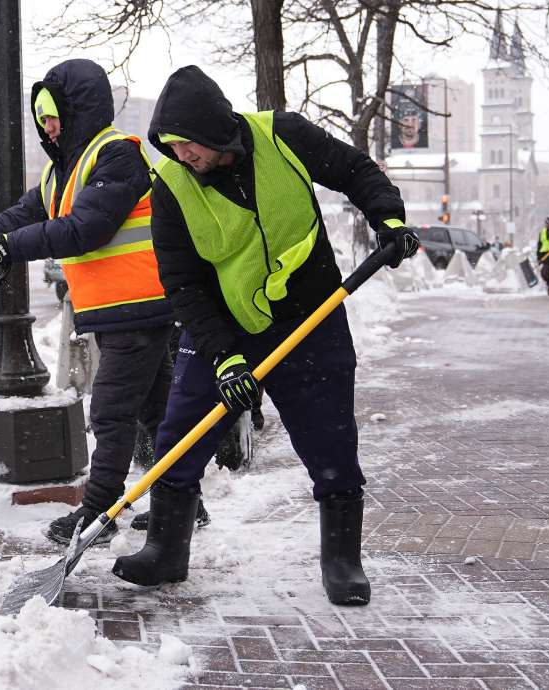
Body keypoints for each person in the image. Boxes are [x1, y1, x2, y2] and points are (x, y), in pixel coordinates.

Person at [111, 65, 416, 607]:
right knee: (180, 433)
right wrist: (226, 359)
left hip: (312, 318)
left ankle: (342, 560)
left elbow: (354, 169)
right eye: (173, 147)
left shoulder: (284, 135)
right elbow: (182, 283)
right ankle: (165, 548)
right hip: (225, 326)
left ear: (214, 129)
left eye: (188, 145)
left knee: (331, 441)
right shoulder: (173, 187)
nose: (184, 157)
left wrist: (387, 218)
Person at [0, 59, 175, 546]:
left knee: (110, 413)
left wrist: (12, 248)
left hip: (138, 308)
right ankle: (182, 500)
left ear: (79, 109)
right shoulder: (65, 173)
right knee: (155, 412)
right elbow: (15, 217)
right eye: (40, 117)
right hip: (124, 310)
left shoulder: (117, 157)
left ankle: (98, 513)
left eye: (53, 114)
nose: (47, 125)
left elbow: (85, 230)